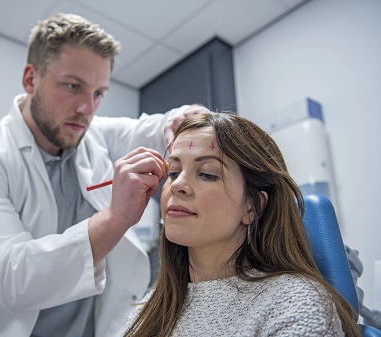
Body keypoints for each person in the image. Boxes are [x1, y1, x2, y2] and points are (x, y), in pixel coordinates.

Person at [0, 13, 204, 337]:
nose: (88, 109)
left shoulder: (94, 135)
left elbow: (158, 127)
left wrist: (189, 117)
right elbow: (13, 278)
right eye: (73, 86)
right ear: (31, 79)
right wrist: (115, 218)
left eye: (98, 93)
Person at [124, 112, 361, 337]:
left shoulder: (295, 303)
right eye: (174, 172)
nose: (177, 185)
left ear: (252, 206)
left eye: (207, 174)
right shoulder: (148, 310)